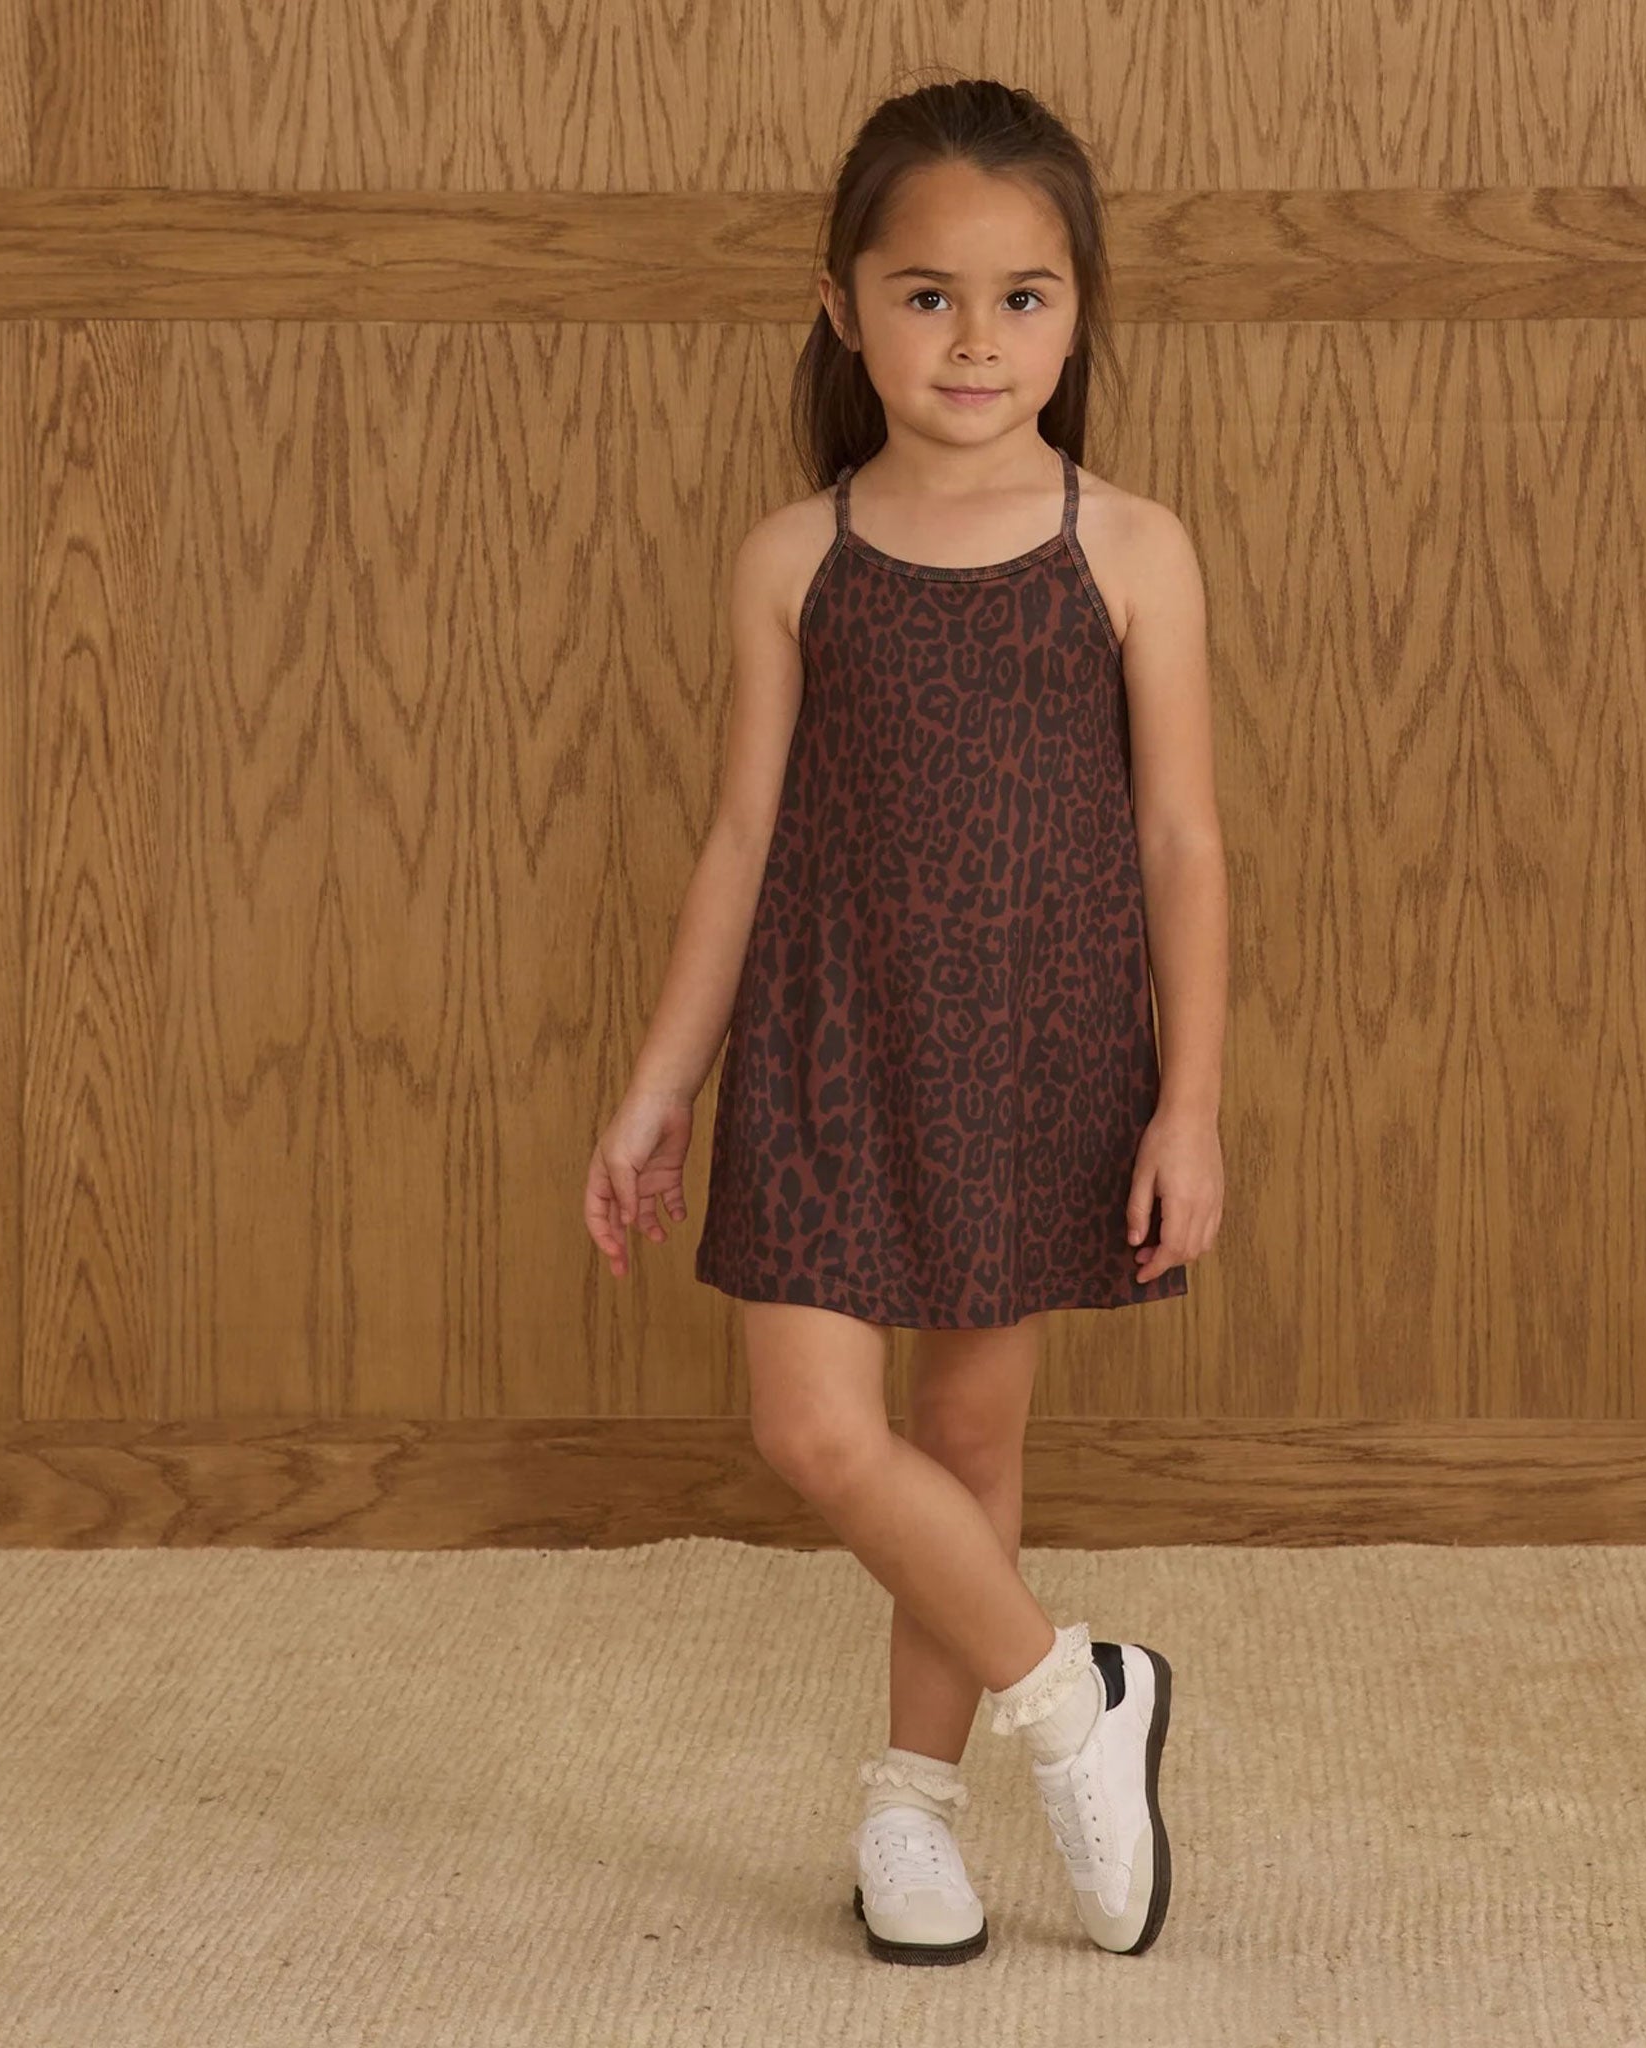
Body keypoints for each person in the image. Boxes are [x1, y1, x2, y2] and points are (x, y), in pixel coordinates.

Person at [583, 76, 1227, 1964]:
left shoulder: (1133, 548)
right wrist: (655, 1091)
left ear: (1081, 313)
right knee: (816, 1431)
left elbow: (1184, 837)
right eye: (927, 292)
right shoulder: (795, 557)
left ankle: (915, 1810)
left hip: (1035, 1043)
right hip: (823, 1041)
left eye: (1024, 296)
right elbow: (739, 838)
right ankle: (1075, 1699)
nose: (975, 337)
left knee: (966, 1433)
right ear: (839, 300)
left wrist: (1190, 1103)